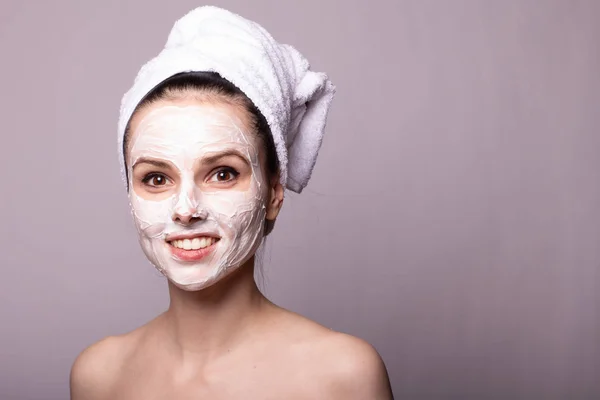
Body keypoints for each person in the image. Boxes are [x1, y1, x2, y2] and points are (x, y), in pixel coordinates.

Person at [70, 6, 393, 399]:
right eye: (157, 178)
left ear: (274, 192)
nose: (186, 209)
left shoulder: (343, 375)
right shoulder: (99, 376)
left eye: (222, 173)